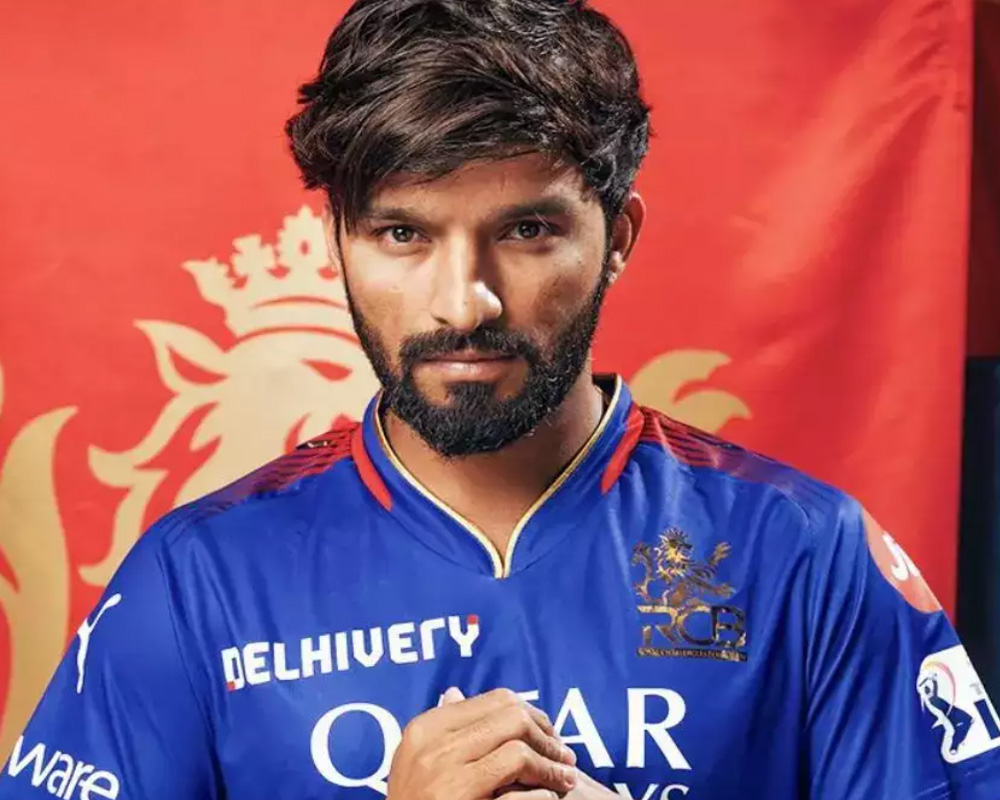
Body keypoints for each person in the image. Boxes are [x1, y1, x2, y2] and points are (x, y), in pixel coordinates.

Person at [3, 0, 999, 798]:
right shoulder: (199, 578)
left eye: (525, 231)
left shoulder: (809, 554)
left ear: (616, 237)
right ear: (338, 242)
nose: (463, 301)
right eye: (404, 234)